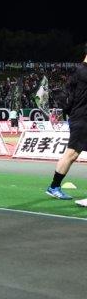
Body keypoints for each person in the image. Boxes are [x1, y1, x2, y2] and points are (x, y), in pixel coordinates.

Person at [47, 43, 87, 201]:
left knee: (72, 153)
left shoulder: (78, 71)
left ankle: (54, 187)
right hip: (82, 118)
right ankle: (54, 186)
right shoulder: (83, 71)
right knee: (71, 153)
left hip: (80, 117)